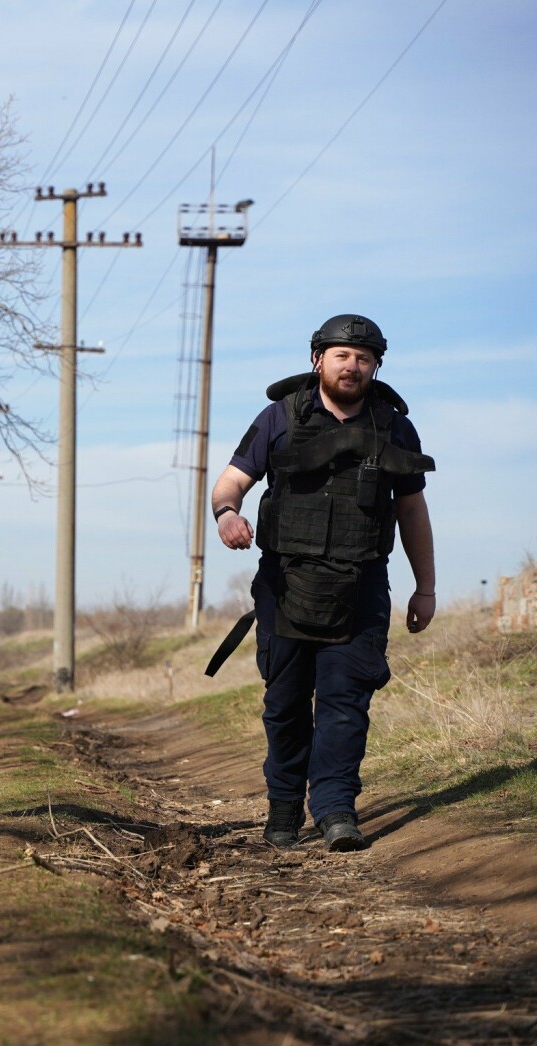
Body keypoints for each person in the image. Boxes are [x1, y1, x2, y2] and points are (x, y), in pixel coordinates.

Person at [210, 314, 435, 852]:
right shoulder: (279, 418)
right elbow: (232, 481)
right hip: (285, 587)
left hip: (361, 588)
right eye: (341, 355)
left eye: (363, 358)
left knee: (345, 703)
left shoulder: (394, 428)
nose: (352, 365)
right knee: (285, 703)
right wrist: (225, 514)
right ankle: (284, 807)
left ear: (376, 366)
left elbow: (411, 510)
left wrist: (425, 587)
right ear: (318, 360)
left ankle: (336, 811)